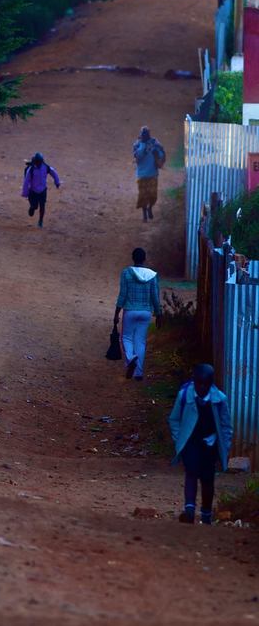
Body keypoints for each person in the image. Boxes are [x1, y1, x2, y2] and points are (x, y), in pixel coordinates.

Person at [168, 364, 233, 525]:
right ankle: (189, 510)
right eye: (199, 384)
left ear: (211, 383)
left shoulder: (219, 399)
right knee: (191, 471)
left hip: (209, 444)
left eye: (206, 384)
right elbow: (174, 419)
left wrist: (223, 446)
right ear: (194, 382)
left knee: (207, 478)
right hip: (190, 442)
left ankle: (206, 514)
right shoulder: (184, 395)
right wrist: (179, 440)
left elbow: (226, 426)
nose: (202, 387)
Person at [113, 247, 160, 381]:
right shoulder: (152, 275)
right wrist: (158, 313)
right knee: (140, 341)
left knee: (126, 338)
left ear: (133, 258)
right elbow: (155, 297)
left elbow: (122, 295)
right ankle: (138, 373)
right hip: (146, 312)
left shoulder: (126, 273)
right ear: (144, 259)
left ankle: (130, 358)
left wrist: (116, 313)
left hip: (130, 311)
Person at [132, 126, 165, 222]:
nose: (145, 135)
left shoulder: (155, 143)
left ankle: (150, 207)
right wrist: (142, 145)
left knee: (153, 196)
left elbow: (162, 154)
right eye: (143, 133)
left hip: (153, 174)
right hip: (141, 174)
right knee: (143, 196)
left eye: (146, 133)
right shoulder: (137, 144)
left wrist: (157, 154)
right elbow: (137, 156)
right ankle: (144, 214)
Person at [20, 152, 61, 229]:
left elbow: (53, 173)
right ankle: (32, 207)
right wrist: (25, 193)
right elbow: (26, 181)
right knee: (34, 206)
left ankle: (40, 221)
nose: (38, 164)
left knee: (42, 206)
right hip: (33, 191)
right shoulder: (31, 169)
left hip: (42, 190)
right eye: (37, 162)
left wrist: (57, 182)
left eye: (39, 162)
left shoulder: (45, 167)